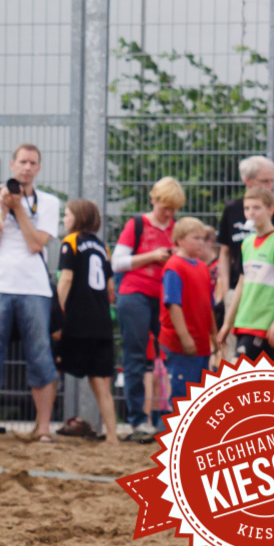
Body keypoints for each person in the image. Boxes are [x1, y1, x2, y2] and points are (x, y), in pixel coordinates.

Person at [0, 143, 62, 448]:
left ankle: (43, 427)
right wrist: (3, 208)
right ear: (12, 165)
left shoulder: (48, 202)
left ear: (39, 168)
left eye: (33, 163)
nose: (27, 168)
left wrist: (18, 208)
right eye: (22, 162)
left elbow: (36, 244)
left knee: (40, 356)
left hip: (34, 288)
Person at [113, 177, 183, 434]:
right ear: (153, 200)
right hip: (135, 294)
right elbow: (118, 262)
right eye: (165, 207)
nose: (168, 214)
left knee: (171, 353)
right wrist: (152, 256)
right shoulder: (137, 225)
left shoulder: (176, 228)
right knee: (135, 356)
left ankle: (168, 420)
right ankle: (137, 420)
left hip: (165, 298)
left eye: (173, 209)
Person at [53, 199, 119, 446]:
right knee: (101, 381)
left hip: (76, 321)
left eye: (67, 215)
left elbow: (66, 279)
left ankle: (42, 429)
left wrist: (57, 314)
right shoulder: (103, 247)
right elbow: (111, 288)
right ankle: (112, 435)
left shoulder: (70, 242)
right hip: (101, 321)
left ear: (78, 217)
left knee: (52, 370)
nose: (64, 219)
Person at [217, 186, 274, 359]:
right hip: (245, 321)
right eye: (247, 208)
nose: (251, 212)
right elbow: (241, 285)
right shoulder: (247, 243)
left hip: (265, 323)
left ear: (271, 210)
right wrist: (227, 325)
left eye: (257, 208)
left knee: (241, 376)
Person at [217, 156, 274, 307]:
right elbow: (224, 252)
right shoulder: (232, 210)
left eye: (272, 181)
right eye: (264, 181)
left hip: (271, 291)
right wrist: (225, 289)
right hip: (239, 288)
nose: (270, 186)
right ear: (248, 180)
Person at [159, 217, 217, 407]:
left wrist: (214, 336)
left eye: (203, 238)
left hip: (200, 342)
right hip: (181, 342)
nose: (201, 242)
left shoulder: (202, 267)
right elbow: (173, 305)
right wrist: (185, 338)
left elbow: (208, 305)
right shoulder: (174, 267)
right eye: (196, 238)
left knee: (198, 391)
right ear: (180, 239)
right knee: (181, 391)